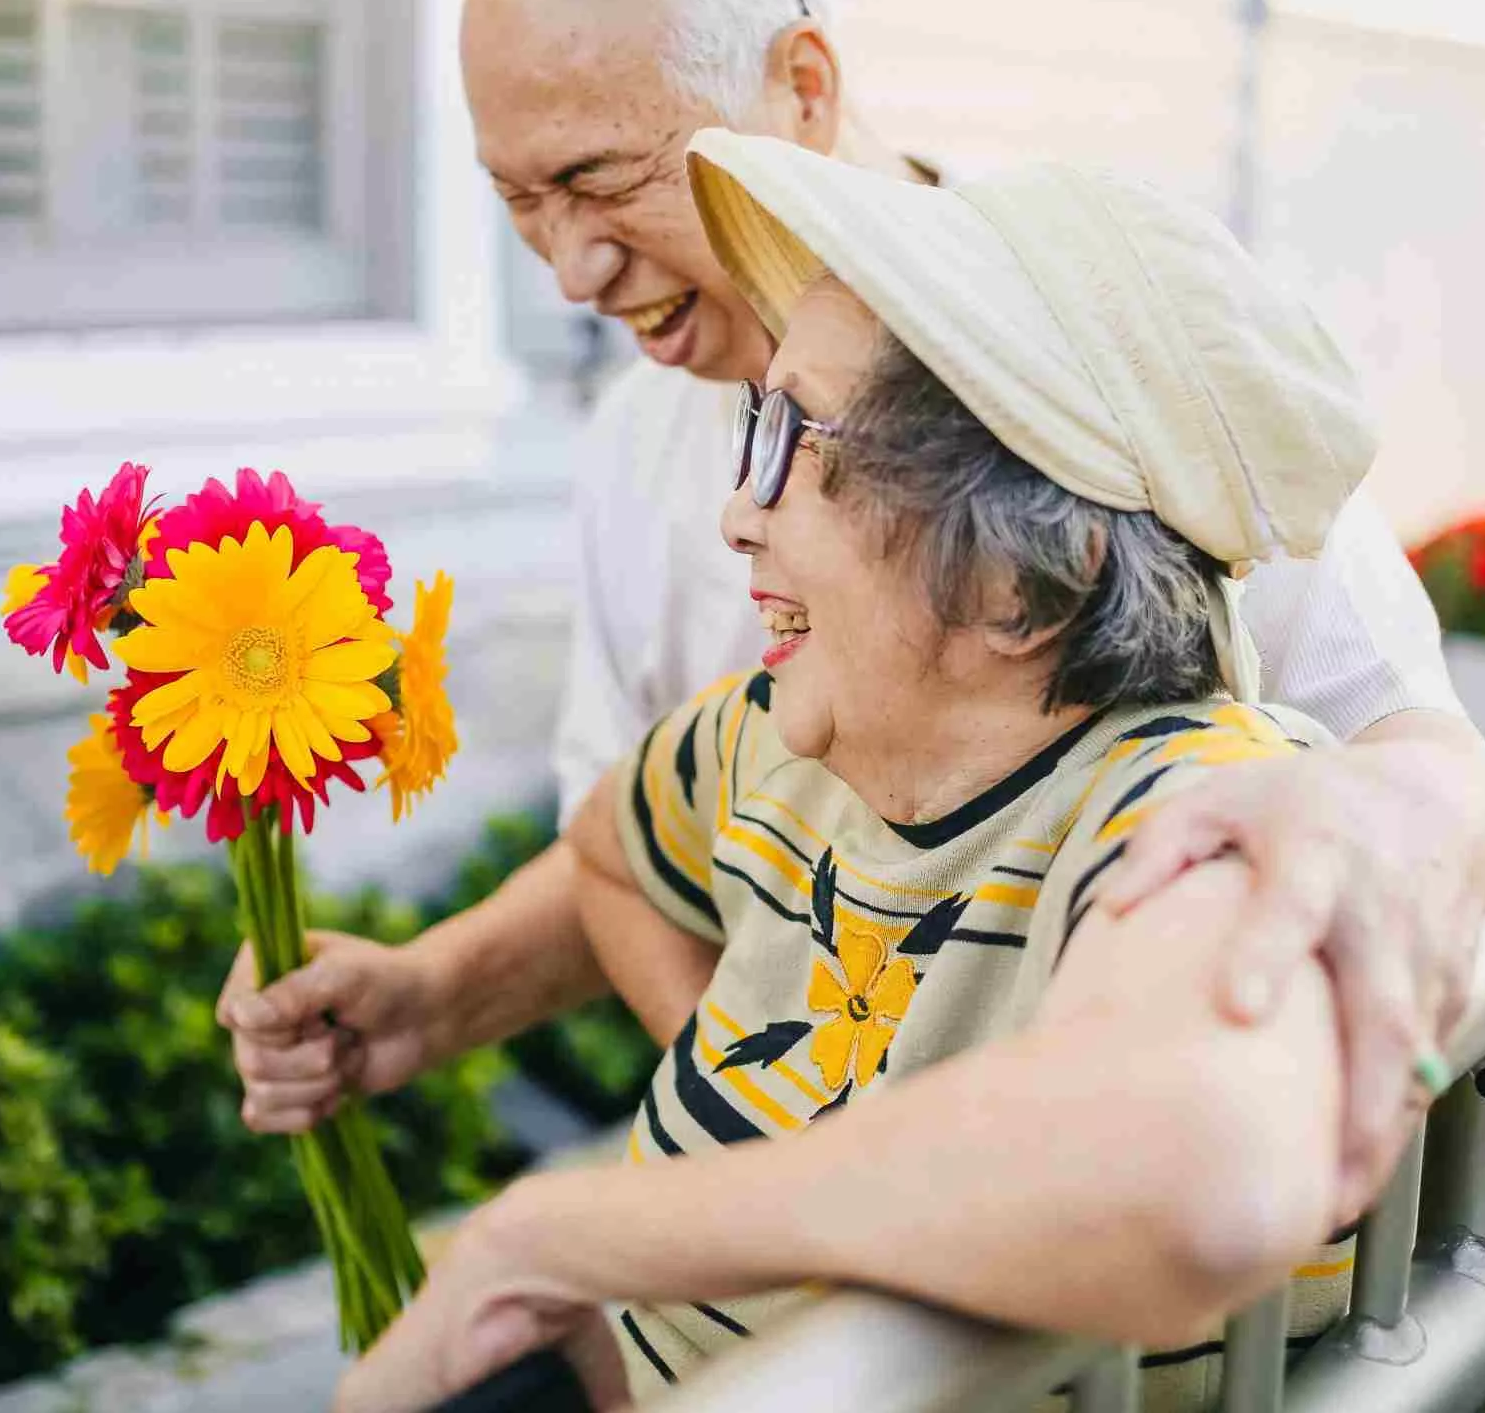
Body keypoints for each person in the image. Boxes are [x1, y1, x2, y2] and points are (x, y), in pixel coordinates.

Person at [222, 0, 1485, 1240]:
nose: (571, 270)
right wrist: (447, 998)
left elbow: (1416, 752)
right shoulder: (633, 448)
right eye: (521, 202)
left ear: (805, 88)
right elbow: (647, 837)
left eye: (601, 178)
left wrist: (1376, 815)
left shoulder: (1086, 350)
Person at [333, 127, 1396, 1411]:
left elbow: (1197, 1180)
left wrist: (551, 1237)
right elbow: (612, 856)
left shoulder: (1186, 812)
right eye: (753, 428)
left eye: (804, 443)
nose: (741, 508)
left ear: (1022, 582)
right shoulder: (772, 743)